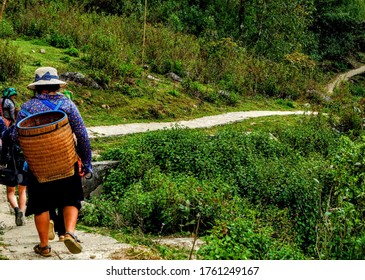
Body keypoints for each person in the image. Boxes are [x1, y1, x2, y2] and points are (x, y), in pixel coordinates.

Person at [13, 67, 92, 257]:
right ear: (56, 85)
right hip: (66, 162)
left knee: (40, 204)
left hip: (39, 167)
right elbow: (82, 135)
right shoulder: (67, 104)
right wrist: (86, 162)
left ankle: (44, 246)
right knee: (71, 198)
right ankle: (69, 233)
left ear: (37, 88)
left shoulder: (27, 107)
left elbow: (16, 136)